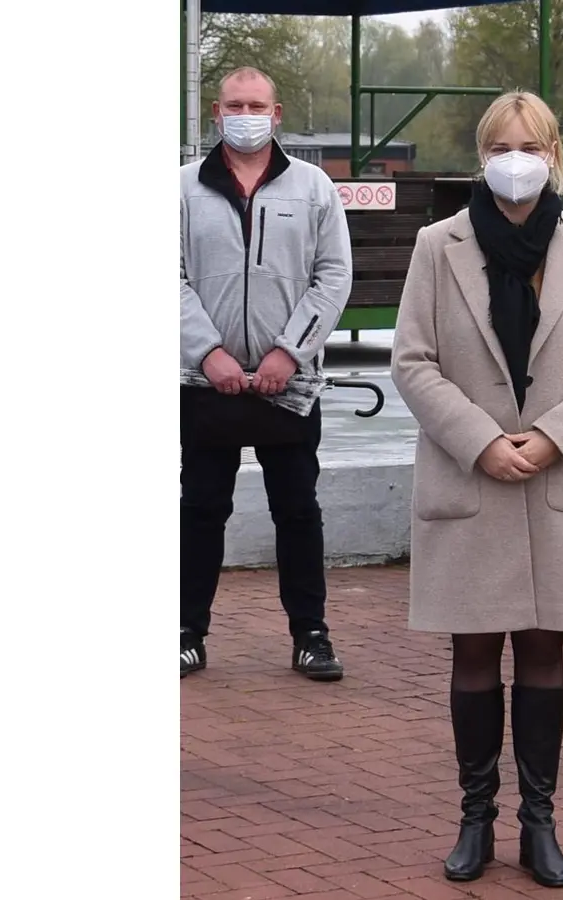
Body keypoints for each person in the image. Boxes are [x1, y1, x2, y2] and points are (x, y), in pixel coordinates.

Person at [391, 91, 563, 888]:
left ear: (554, 153)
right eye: (502, 145)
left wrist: (554, 436)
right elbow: (413, 362)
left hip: (555, 482)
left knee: (543, 655)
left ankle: (539, 822)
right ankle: (474, 821)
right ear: (481, 156)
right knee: (471, 655)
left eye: (530, 144)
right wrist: (482, 440)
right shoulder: (439, 244)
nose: (516, 157)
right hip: (471, 481)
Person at [180, 66, 352, 681]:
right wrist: (208, 352)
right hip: (205, 385)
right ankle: (185, 631)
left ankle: (311, 634)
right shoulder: (180, 189)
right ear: (214, 111)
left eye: (256, 104)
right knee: (200, 508)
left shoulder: (313, 188)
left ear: (277, 114)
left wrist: (289, 352)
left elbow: (333, 277)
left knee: (298, 510)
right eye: (233, 104)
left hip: (291, 385)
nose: (244, 114)